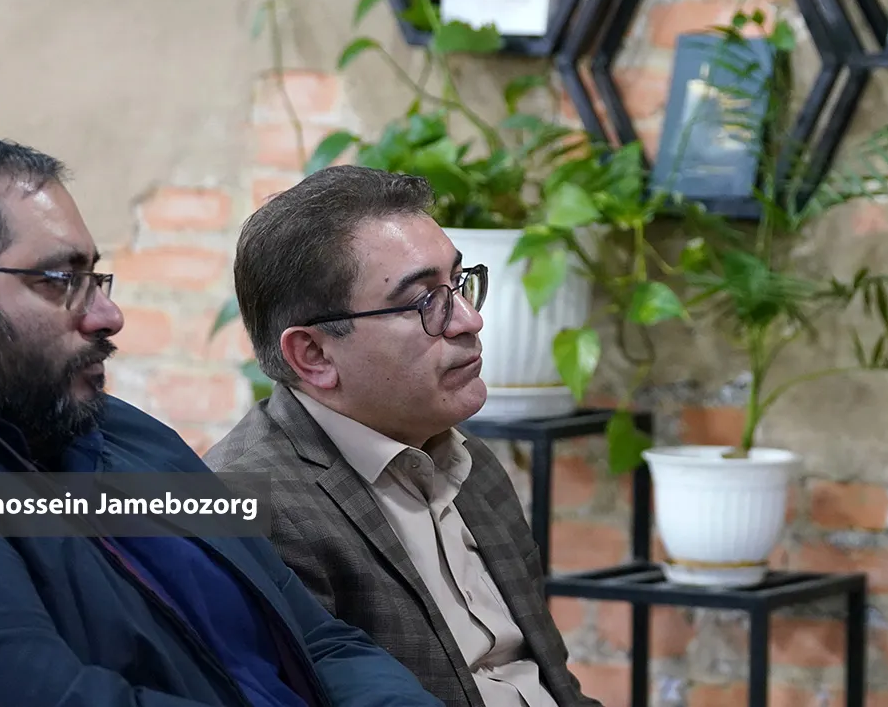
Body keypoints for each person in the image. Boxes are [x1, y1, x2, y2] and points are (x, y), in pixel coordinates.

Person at [0, 131, 443, 707]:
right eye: (60, 280)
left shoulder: (116, 431)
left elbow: (315, 637)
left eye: (95, 279)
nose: (107, 315)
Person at [207, 166, 602, 707]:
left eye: (458, 284)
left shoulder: (468, 461)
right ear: (314, 354)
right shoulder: (252, 506)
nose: (468, 320)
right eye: (425, 302)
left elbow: (552, 684)